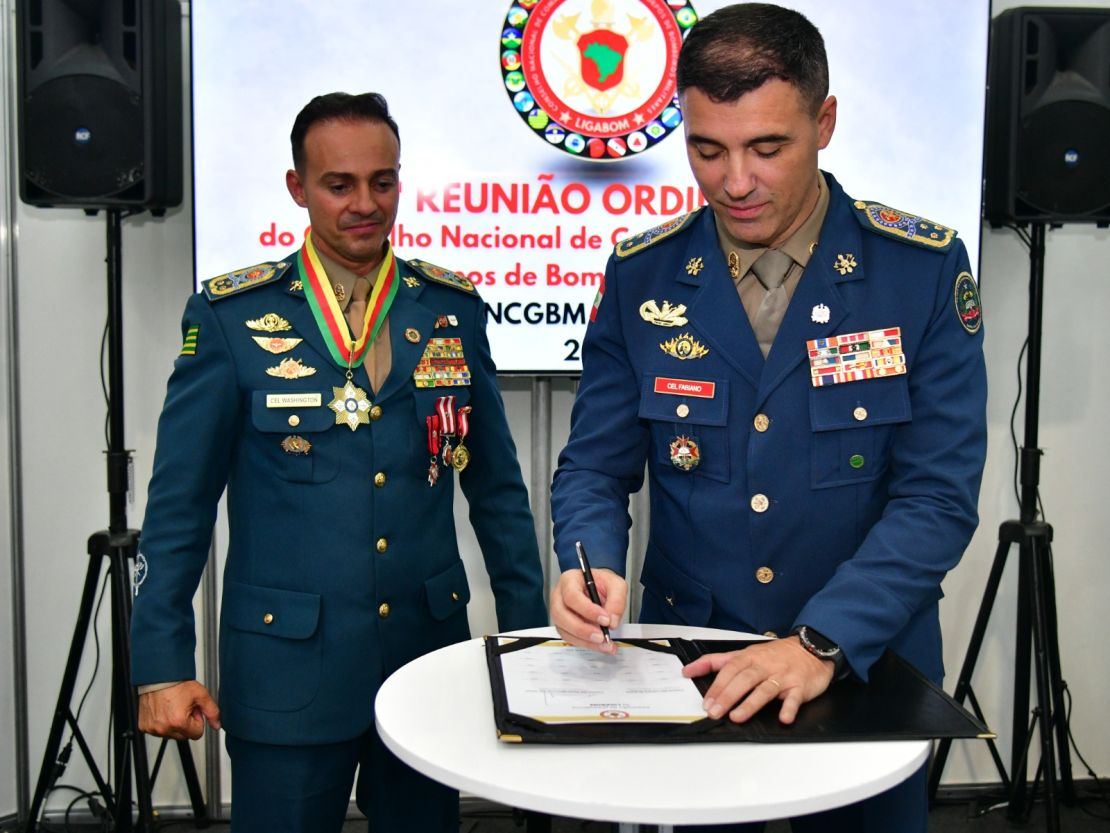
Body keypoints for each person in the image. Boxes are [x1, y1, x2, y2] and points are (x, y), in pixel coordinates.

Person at [549, 5, 986, 832]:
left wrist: (820, 640)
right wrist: (586, 561)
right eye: (706, 150)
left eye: (767, 148)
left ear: (824, 122)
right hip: (693, 672)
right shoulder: (644, 277)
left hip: (863, 671)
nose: (734, 182)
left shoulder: (917, 272)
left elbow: (936, 499)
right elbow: (594, 468)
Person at [130, 92, 547, 833]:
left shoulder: (449, 309)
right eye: (339, 184)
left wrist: (528, 638)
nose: (366, 203)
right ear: (298, 188)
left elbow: (498, 490)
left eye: (382, 182)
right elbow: (178, 508)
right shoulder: (232, 319)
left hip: (424, 667)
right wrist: (163, 661)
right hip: (288, 672)